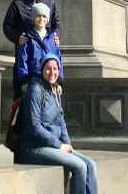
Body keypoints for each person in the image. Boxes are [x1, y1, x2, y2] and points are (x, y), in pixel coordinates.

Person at [16, 55, 98, 194]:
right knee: (80, 167)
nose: (52, 72)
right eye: (48, 68)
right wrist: (59, 145)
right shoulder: (35, 89)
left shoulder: (55, 91)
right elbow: (34, 127)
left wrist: (67, 143)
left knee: (91, 165)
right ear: (41, 69)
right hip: (34, 147)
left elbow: (61, 122)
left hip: (53, 146)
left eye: (55, 69)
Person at [3, 0, 61, 98]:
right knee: (23, 99)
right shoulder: (17, 3)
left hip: (46, 58)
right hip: (25, 58)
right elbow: (7, 26)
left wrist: (56, 36)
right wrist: (17, 38)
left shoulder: (51, 3)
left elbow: (56, 24)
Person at [15, 2, 63, 91]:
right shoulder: (27, 37)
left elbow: (58, 60)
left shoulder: (53, 38)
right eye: (38, 16)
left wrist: (59, 82)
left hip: (50, 80)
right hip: (33, 81)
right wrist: (24, 81)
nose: (41, 19)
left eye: (44, 16)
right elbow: (23, 60)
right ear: (33, 19)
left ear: (48, 19)